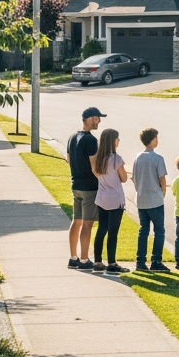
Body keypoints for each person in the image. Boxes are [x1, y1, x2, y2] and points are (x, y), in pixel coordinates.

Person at [67, 107, 105, 270]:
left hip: (76, 185)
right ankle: (84, 260)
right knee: (87, 224)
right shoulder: (91, 140)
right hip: (89, 187)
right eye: (97, 118)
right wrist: (104, 180)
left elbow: (68, 159)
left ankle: (73, 258)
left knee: (77, 221)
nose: (99, 121)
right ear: (89, 119)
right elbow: (94, 166)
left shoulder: (72, 137)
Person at [91, 128, 129, 274]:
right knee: (113, 232)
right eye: (117, 139)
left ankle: (98, 261)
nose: (119, 141)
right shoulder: (116, 159)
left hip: (102, 198)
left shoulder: (97, 159)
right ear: (113, 141)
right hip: (115, 200)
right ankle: (112, 262)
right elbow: (124, 178)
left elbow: (97, 175)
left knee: (101, 229)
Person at [132, 127, 170, 272]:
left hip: (141, 199)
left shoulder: (138, 157)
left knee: (144, 230)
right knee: (159, 230)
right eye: (156, 138)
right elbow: (162, 179)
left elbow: (134, 178)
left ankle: (140, 261)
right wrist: (163, 193)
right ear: (153, 140)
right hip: (155, 199)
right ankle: (156, 261)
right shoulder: (158, 159)